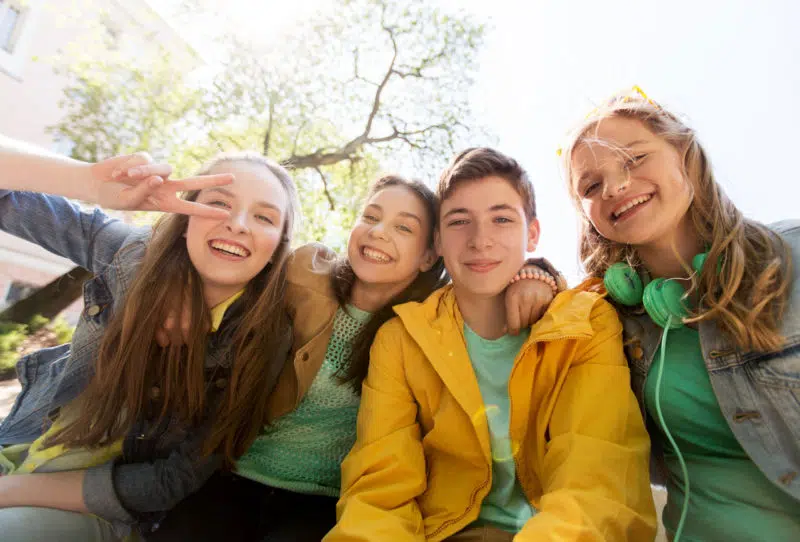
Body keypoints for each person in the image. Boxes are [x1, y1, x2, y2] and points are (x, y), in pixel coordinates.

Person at [326, 147, 655, 541]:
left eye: (501, 219)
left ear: (532, 233)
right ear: (439, 242)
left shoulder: (585, 324)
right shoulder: (401, 339)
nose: (480, 241)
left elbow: (596, 477)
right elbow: (379, 490)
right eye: (459, 221)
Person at [0, 141, 299, 541]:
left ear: (279, 243)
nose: (238, 223)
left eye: (264, 216)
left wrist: (10, 491)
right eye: (219, 203)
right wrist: (89, 182)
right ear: (184, 214)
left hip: (97, 511)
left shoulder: (263, 337)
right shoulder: (131, 255)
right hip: (21, 448)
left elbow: (171, 479)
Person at [561, 87, 800, 540]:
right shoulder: (614, 318)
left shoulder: (793, 254)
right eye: (591, 186)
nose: (614, 187)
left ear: (685, 156)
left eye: (634, 160)